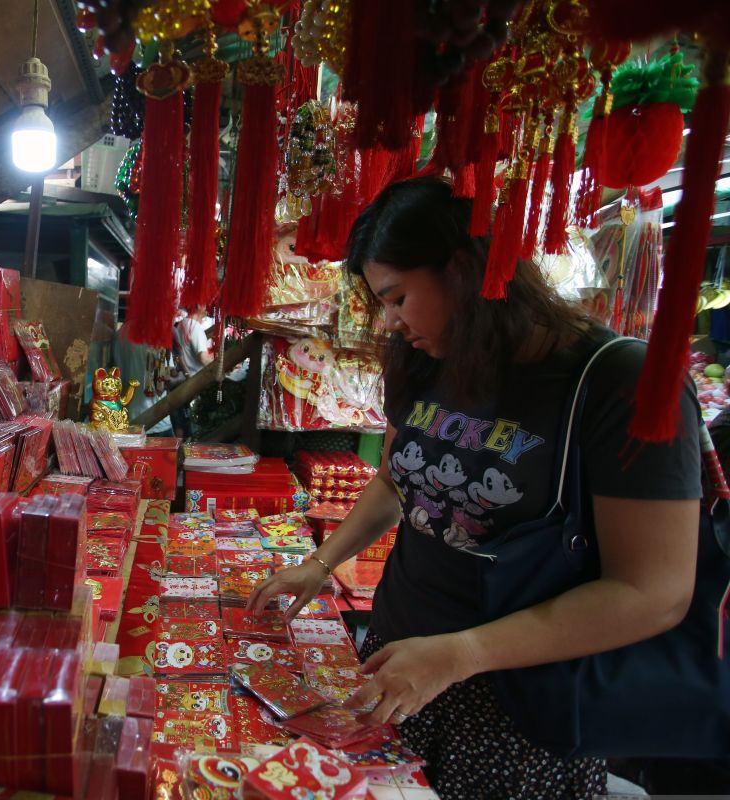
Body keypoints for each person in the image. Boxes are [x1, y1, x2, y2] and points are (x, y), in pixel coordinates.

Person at [247, 177, 702, 800]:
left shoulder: (620, 381)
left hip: (517, 717)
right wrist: (322, 563)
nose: (391, 320)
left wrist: (460, 654)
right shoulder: (442, 356)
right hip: (400, 672)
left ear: (462, 271)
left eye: (398, 296)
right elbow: (400, 477)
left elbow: (655, 592)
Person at [171, 305, 215, 437]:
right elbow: (203, 358)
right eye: (205, 303)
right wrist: (220, 361)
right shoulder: (195, 327)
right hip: (194, 382)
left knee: (180, 424)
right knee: (191, 427)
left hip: (184, 379)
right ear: (199, 306)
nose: (208, 307)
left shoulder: (181, 324)